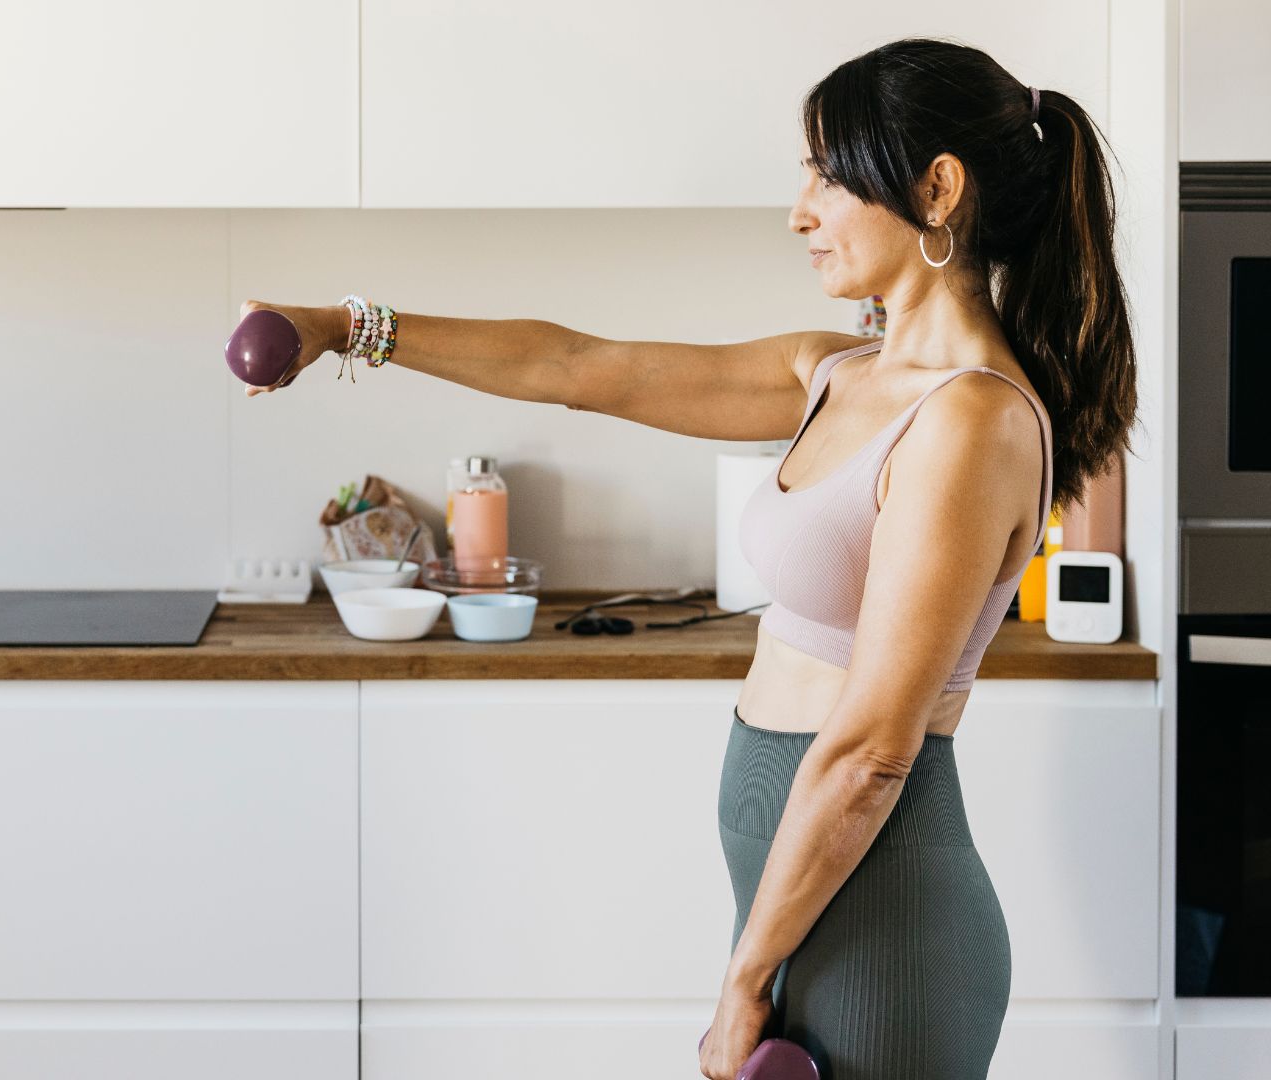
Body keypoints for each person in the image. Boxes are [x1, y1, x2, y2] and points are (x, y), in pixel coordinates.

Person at [235, 35, 1139, 1080]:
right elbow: (579, 365)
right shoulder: (837, 372)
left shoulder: (971, 422)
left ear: (938, 189)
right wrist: (347, 327)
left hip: (888, 924)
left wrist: (744, 982)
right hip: (802, 904)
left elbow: (871, 751)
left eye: (830, 175)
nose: (800, 210)